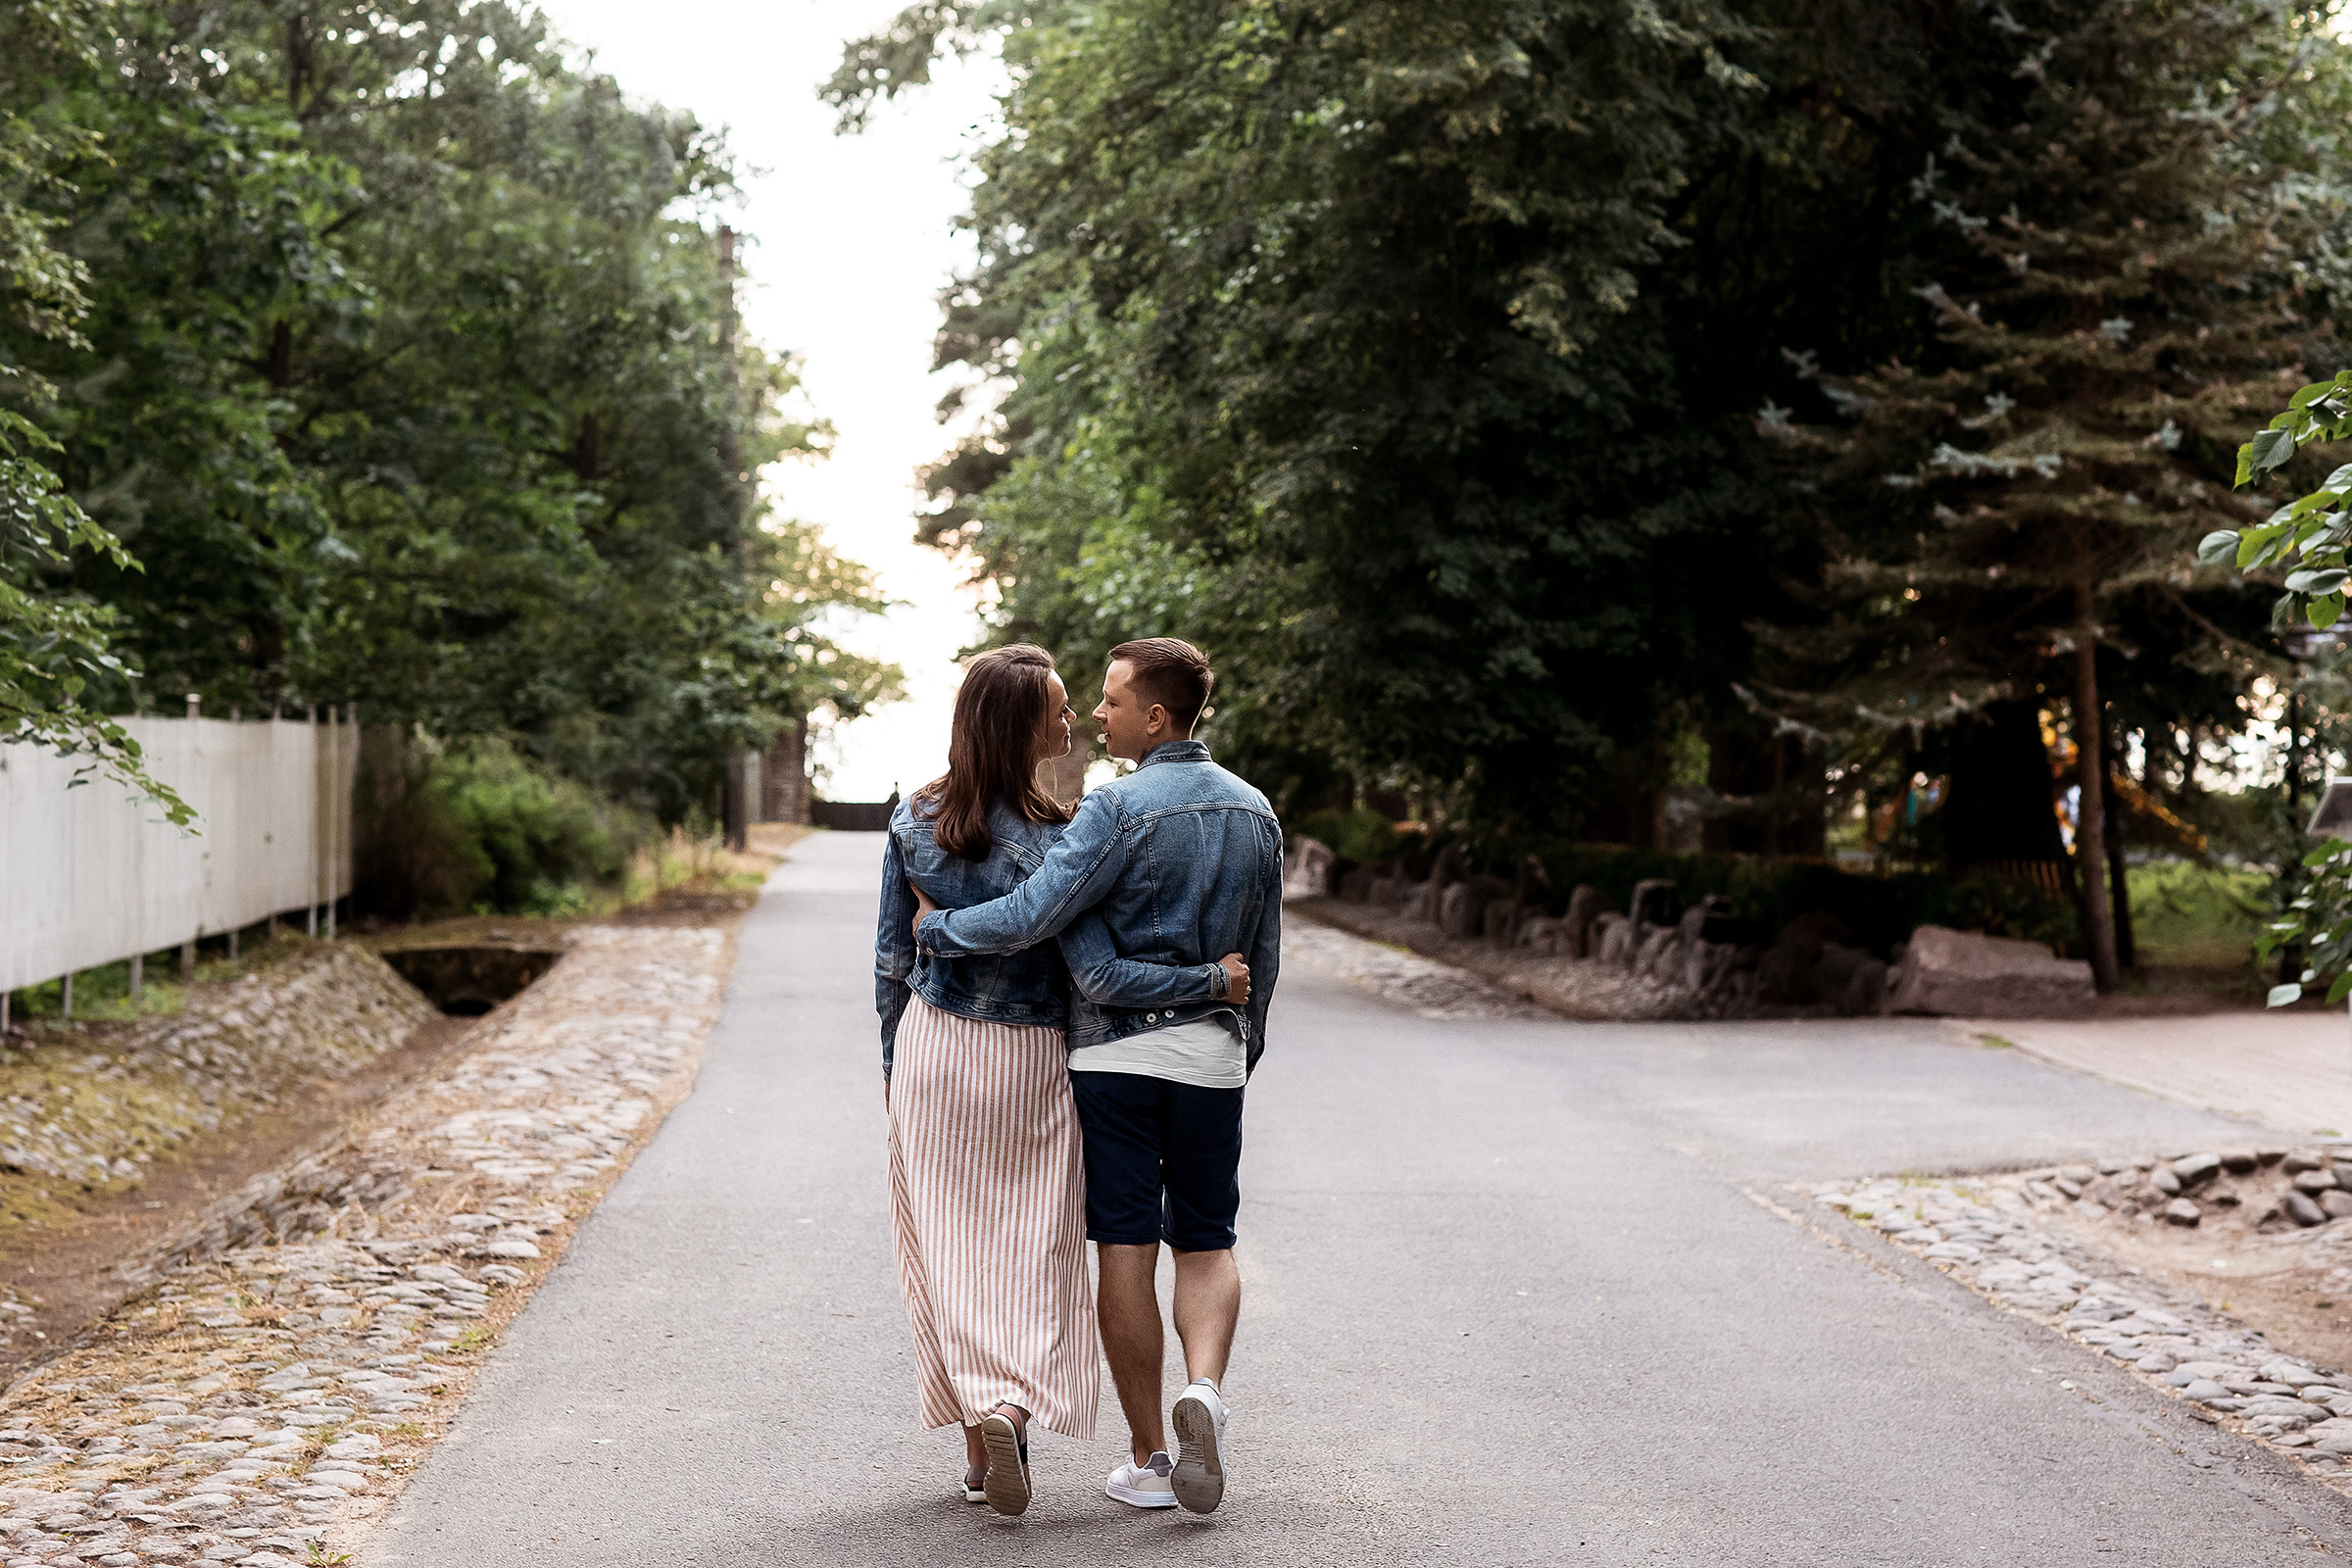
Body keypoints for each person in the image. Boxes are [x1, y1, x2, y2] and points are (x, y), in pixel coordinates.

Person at [874, 644, 1252, 1519]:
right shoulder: (1061, 833)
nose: (1076, 715)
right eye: (1060, 703)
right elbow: (1089, 969)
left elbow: (892, 960)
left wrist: (897, 1069)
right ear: (1020, 724)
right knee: (1036, 1254)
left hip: (934, 1053)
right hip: (1032, 1057)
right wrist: (1212, 991)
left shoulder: (911, 820)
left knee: (946, 1251)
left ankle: (985, 1437)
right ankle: (1016, 1405)